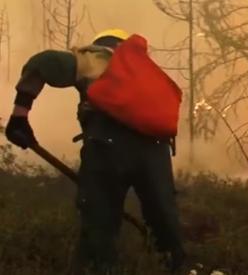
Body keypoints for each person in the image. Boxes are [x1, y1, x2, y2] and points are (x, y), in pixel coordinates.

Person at [5, 29, 185, 274]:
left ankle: (99, 268)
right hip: (156, 150)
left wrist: (20, 116)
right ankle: (174, 265)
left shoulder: (97, 58)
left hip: (107, 148)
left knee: (99, 222)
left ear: (100, 44)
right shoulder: (148, 71)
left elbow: (43, 63)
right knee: (163, 217)